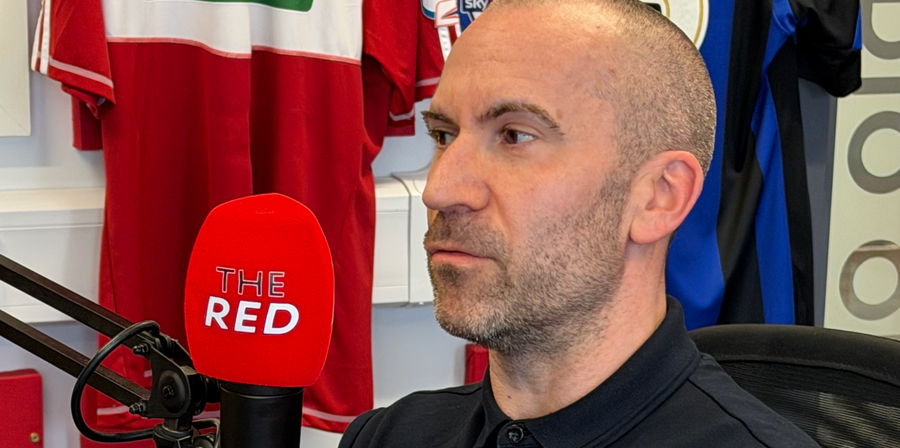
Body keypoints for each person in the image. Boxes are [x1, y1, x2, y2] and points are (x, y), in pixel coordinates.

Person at [340, 0, 819, 446]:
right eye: (444, 134)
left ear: (658, 197)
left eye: (514, 136)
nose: (439, 190)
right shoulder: (389, 436)